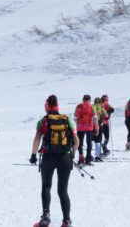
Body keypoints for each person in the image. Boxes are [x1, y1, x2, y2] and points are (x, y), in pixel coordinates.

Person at [30, 95, 79, 227]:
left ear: (46, 107)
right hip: (65, 158)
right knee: (63, 190)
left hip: (48, 158)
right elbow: (77, 141)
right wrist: (72, 154)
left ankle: (45, 218)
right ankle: (67, 220)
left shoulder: (43, 121)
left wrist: (33, 155)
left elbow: (37, 139)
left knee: (46, 186)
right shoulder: (67, 120)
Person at [74, 95, 95, 165]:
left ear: (83, 99)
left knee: (80, 142)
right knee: (89, 143)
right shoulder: (92, 106)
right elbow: (95, 118)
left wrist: (77, 126)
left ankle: (81, 157)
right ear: (89, 100)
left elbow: (75, 116)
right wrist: (97, 128)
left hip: (80, 127)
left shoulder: (78, 106)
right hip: (89, 127)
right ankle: (88, 160)